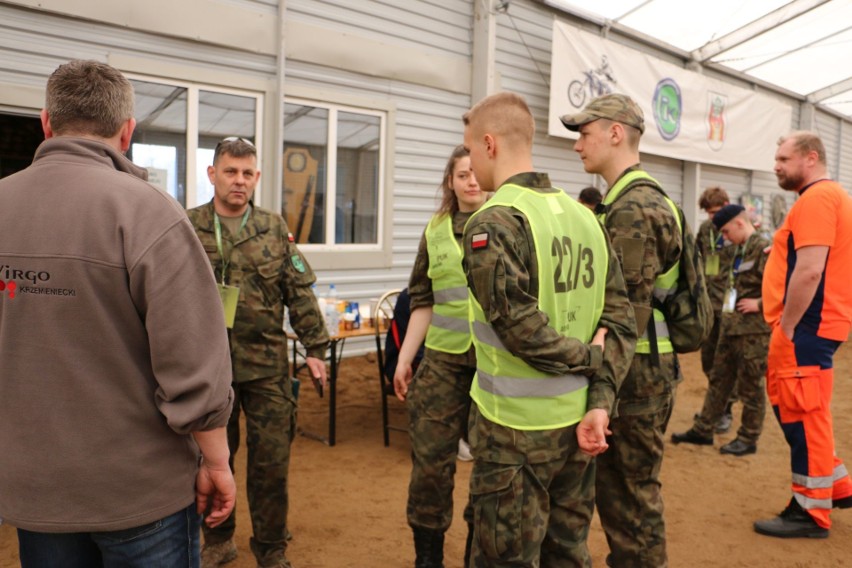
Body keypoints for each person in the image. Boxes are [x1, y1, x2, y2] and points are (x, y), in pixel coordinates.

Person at [0, 59, 235, 566]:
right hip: (139, 491)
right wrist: (217, 459)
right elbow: (192, 359)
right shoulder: (149, 211)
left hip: (35, 486)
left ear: (47, 122)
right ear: (126, 132)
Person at [462, 91, 636, 566]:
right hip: (579, 427)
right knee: (567, 552)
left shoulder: (494, 222)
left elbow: (520, 329)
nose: (472, 163)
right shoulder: (587, 219)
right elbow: (620, 322)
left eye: (472, 149)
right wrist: (600, 401)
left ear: (490, 144)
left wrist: (591, 362)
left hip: (514, 434)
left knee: (505, 556)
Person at [187, 137, 330, 567]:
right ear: (213, 174)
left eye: (247, 173)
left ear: (257, 178)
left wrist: (316, 348)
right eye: (230, 171)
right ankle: (217, 542)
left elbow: (298, 293)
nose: (239, 181)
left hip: (267, 368)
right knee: (213, 462)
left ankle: (271, 550)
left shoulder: (272, 227)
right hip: (210, 371)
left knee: (271, 467)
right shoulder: (187, 226)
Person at [561, 93, 682, 567]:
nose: (577, 146)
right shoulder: (640, 197)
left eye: (584, 134)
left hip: (635, 377)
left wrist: (600, 399)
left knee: (629, 509)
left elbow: (622, 317)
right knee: (631, 501)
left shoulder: (633, 208)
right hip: (645, 370)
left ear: (615, 133)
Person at [754, 131, 852, 538]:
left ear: (810, 158)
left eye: (783, 158)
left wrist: (789, 325)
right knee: (804, 411)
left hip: (805, 326)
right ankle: (838, 487)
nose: (776, 165)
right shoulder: (828, 198)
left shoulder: (816, 199)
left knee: (802, 415)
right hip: (817, 324)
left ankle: (809, 513)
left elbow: (811, 269)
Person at [392, 145, 485, 567]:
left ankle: (477, 555)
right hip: (443, 366)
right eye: (462, 174)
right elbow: (423, 300)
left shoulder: (509, 223)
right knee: (430, 469)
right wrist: (404, 359)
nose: (471, 181)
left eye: (476, 172)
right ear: (450, 181)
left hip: (494, 368)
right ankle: (427, 559)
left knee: (491, 471)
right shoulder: (435, 230)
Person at [671, 204, 770, 455]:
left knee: (751, 386)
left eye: (726, 232)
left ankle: (748, 438)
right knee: (719, 379)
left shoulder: (764, 249)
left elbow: (786, 286)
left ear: (739, 223)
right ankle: (704, 429)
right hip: (729, 326)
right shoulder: (737, 250)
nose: (724, 238)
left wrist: (760, 303)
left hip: (752, 332)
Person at [696, 186, 737, 433]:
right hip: (708, 306)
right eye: (709, 213)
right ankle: (715, 407)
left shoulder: (742, 231)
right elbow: (696, 261)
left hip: (731, 308)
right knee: (708, 360)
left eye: (717, 211)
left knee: (727, 362)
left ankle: (726, 410)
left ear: (727, 204)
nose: (713, 217)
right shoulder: (705, 231)